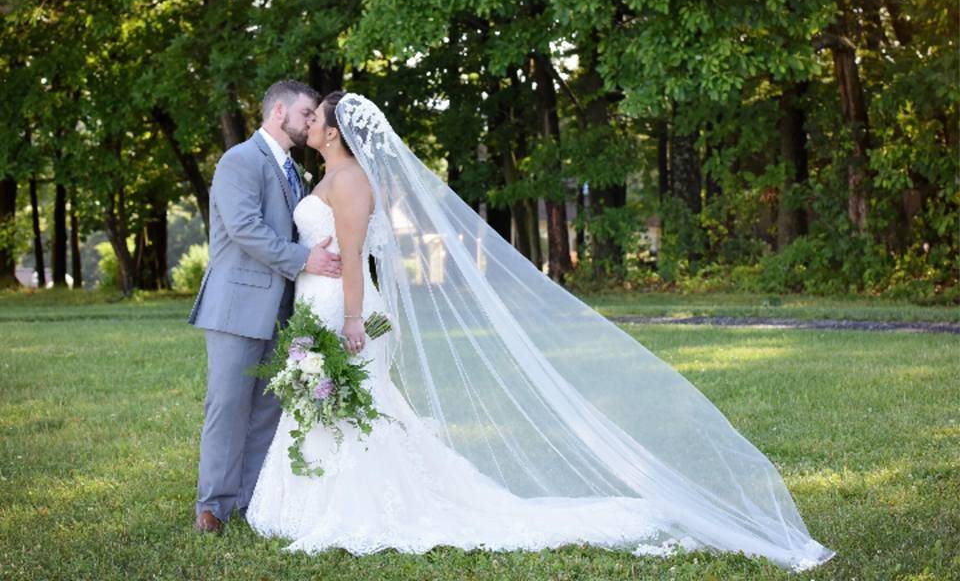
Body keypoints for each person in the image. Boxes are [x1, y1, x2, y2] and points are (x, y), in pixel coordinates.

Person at [247, 91, 834, 572]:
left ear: (334, 132)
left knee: (355, 403)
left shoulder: (349, 183)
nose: (309, 123)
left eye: (316, 118)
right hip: (315, 302)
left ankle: (355, 502)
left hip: (343, 308)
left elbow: (353, 257)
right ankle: (310, 494)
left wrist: (352, 319)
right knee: (336, 404)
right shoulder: (322, 176)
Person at [188, 80, 342, 533]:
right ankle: (212, 506)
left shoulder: (295, 171)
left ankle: (249, 501)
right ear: (279, 111)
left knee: (268, 409)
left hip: (283, 308)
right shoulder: (239, 160)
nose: (312, 121)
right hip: (238, 306)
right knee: (228, 405)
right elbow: (245, 228)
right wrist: (305, 259)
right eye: (307, 113)